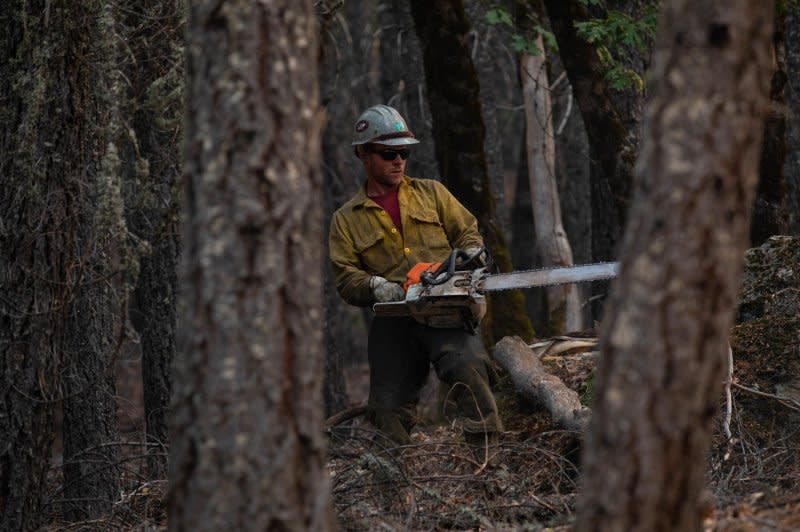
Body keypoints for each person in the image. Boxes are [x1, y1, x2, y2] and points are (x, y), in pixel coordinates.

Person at [328, 104, 503, 455]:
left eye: (404, 152)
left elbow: (469, 235)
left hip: (446, 310)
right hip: (394, 318)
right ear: (362, 153)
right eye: (389, 153)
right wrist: (379, 287)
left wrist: (468, 262)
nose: (398, 161)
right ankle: (397, 488)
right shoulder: (346, 220)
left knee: (469, 370)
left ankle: (490, 465)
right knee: (387, 406)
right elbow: (346, 278)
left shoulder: (432, 194)